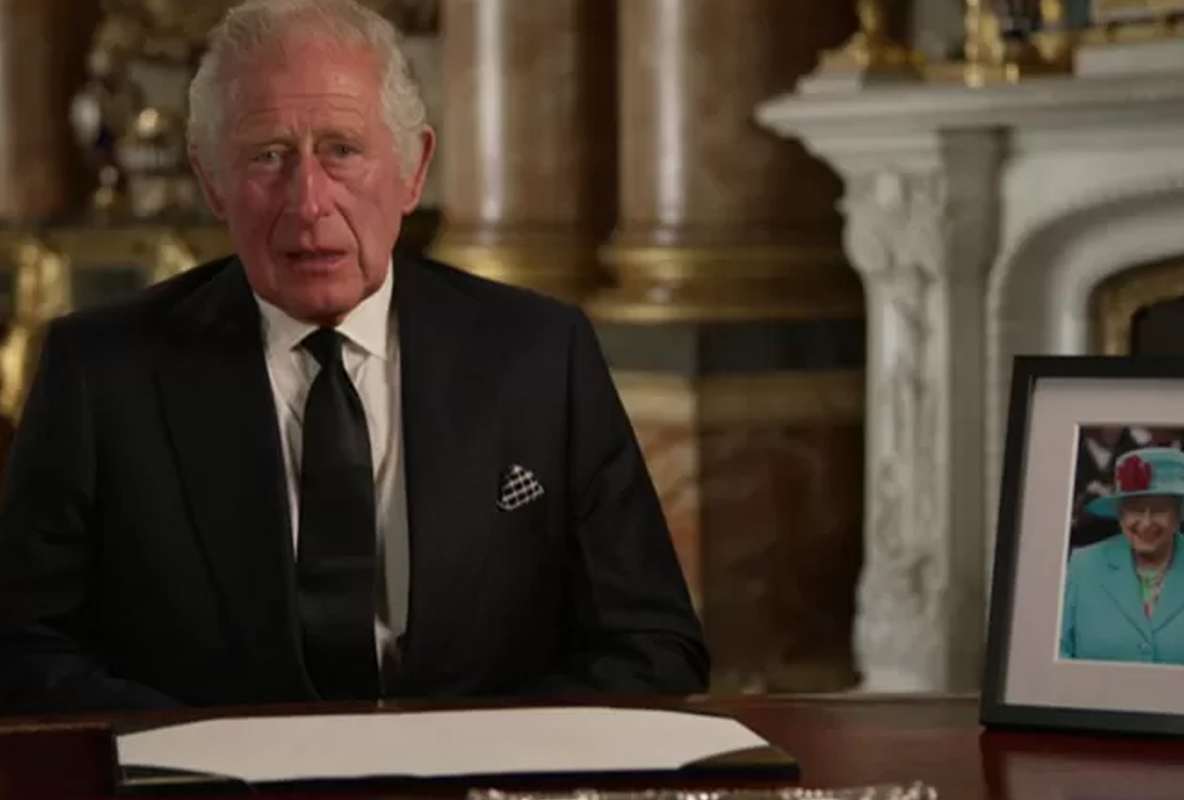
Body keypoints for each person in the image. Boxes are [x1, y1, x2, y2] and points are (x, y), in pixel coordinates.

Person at [0, 0, 708, 715]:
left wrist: (482, 751)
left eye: (342, 150)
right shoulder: (100, 373)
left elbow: (652, 647)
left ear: (413, 170)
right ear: (211, 180)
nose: (309, 202)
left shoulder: (541, 357)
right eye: (267, 155)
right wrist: (198, 750)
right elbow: (23, 652)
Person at [1059, 446, 1184, 665]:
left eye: (1159, 510)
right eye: (1135, 509)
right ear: (1120, 514)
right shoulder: (1082, 566)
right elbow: (1058, 651)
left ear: (1179, 513)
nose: (1145, 523)